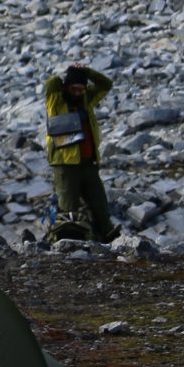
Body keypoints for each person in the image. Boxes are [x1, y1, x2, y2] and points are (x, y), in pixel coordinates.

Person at [45, 62, 116, 240]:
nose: (77, 93)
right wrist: (72, 71)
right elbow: (52, 82)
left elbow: (105, 84)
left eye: (81, 89)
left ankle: (107, 237)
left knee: (100, 206)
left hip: (89, 163)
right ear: (67, 87)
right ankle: (65, 241)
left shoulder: (86, 100)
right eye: (73, 89)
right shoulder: (57, 101)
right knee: (69, 210)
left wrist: (86, 71)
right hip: (65, 166)